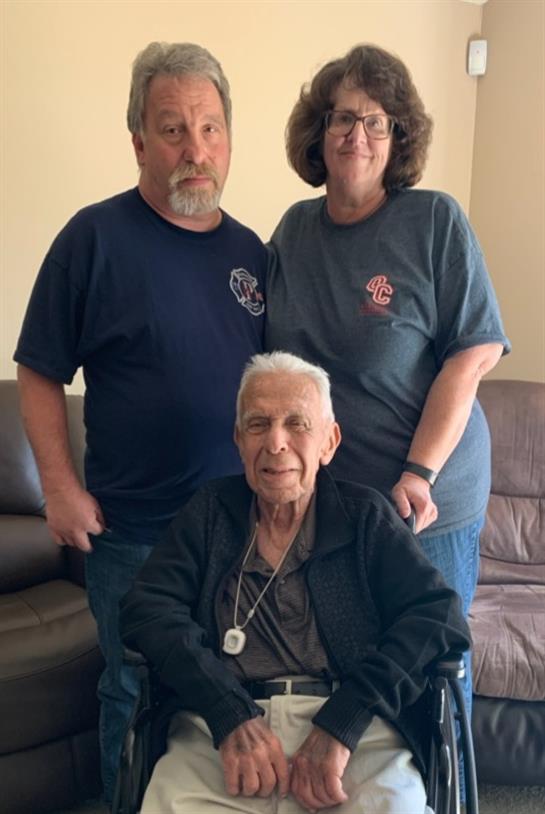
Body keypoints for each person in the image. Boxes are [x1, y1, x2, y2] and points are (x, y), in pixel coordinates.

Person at [14, 41, 266, 802]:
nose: (196, 149)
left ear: (228, 138)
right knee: (132, 689)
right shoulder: (92, 239)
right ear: (138, 142)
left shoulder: (252, 254)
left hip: (239, 533)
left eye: (210, 128)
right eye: (173, 129)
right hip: (134, 534)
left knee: (232, 691)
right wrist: (60, 489)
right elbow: (39, 370)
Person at [264, 44, 510, 737]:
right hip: (336, 503)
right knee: (354, 670)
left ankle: (446, 786)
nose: (357, 136)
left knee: (430, 674)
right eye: (343, 118)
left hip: (425, 503)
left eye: (377, 122)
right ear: (318, 132)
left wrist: (418, 473)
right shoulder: (292, 232)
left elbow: (472, 355)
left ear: (398, 138)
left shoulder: (433, 222)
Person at [120, 350, 471, 814]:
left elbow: (437, 617)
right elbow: (148, 608)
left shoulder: (365, 516)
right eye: (258, 424)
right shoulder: (210, 512)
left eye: (297, 424)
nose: (276, 443)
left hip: (353, 726)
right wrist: (227, 711)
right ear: (239, 439)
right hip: (219, 725)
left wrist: (343, 722)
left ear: (329, 441)